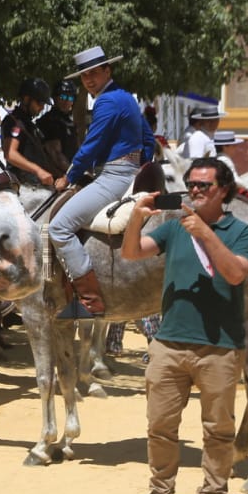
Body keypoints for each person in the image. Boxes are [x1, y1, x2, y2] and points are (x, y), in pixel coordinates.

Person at [119, 156, 248, 494]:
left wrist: (205, 234)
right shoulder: (174, 227)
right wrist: (136, 216)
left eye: (204, 186)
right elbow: (132, 253)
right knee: (160, 425)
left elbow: (234, 274)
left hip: (220, 347)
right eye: (191, 185)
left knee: (217, 430)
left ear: (223, 191)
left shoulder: (241, 232)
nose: (194, 191)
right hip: (169, 345)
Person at [48, 47, 155, 319]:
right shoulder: (127, 98)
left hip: (113, 177)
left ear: (108, 70)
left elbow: (92, 145)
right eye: (84, 76)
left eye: (94, 72)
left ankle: (89, 301)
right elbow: (148, 139)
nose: (89, 80)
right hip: (127, 172)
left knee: (59, 228)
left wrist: (68, 177)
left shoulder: (107, 101)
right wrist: (138, 166)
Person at [2, 78, 63, 189]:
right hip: (24, 186)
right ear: (26, 99)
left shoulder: (28, 123)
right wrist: (38, 170)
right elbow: (10, 154)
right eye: (39, 103)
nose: (42, 107)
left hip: (37, 185)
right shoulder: (14, 122)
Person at [37, 81, 79, 177]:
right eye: (63, 97)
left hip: (71, 172)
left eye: (70, 98)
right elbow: (55, 155)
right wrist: (75, 173)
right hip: (55, 176)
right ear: (55, 98)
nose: (66, 101)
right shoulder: (48, 121)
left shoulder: (69, 121)